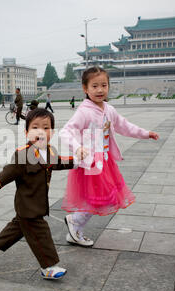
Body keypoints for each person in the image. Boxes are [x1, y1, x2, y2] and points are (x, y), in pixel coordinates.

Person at [59, 67, 159, 247]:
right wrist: (78, 147)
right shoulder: (84, 111)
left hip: (105, 161)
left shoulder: (109, 109)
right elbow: (65, 132)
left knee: (104, 197)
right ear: (85, 88)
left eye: (103, 85)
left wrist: (145, 133)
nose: (99, 90)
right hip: (90, 163)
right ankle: (75, 222)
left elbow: (124, 126)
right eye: (94, 86)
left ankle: (75, 225)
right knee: (99, 198)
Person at [0, 109, 77, 280]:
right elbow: (8, 173)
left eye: (46, 128)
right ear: (26, 132)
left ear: (52, 132)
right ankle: (48, 267)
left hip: (37, 203)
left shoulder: (50, 151)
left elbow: (59, 162)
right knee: (40, 234)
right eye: (35, 127)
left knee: (18, 228)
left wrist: (77, 162)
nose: (41, 131)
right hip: (28, 206)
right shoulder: (22, 154)